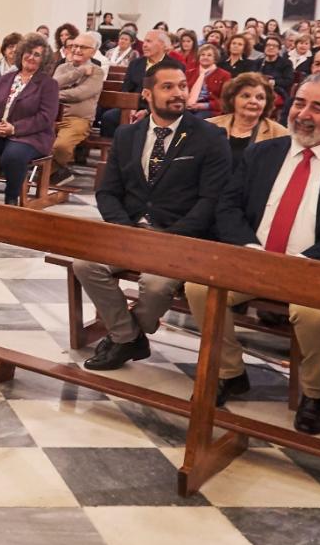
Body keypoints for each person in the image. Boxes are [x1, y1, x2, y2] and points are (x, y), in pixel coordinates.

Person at [185, 75, 320, 432]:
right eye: (299, 103)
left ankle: (316, 395)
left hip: (317, 269)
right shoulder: (263, 152)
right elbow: (228, 206)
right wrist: (249, 248)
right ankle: (230, 372)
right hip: (255, 260)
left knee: (315, 316)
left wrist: (307, 260)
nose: (303, 114)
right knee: (198, 287)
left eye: (318, 108)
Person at [76, 62, 232, 371]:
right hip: (131, 230)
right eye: (168, 87)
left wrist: (170, 237)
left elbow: (211, 200)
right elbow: (107, 192)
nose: (179, 93)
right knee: (84, 264)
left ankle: (124, 336)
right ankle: (128, 336)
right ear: (147, 94)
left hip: (180, 236)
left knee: (156, 285)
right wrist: (125, 230)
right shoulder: (127, 135)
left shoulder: (209, 136)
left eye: (182, 86)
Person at [0, 33, 58, 205]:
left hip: (29, 136)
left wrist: (14, 128)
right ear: (21, 53)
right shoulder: (6, 78)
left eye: (37, 55)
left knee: (13, 156)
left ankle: (11, 199)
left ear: (43, 60)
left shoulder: (48, 84)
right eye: (28, 52)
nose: (31, 57)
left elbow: (45, 117)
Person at [99, 29, 181, 136]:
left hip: (160, 110)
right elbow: (126, 89)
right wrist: (131, 107)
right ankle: (116, 146)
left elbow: (171, 96)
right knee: (108, 117)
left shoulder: (174, 67)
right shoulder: (135, 63)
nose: (144, 45)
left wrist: (147, 111)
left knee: (150, 123)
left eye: (149, 41)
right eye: (144, 41)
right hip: (133, 106)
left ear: (162, 45)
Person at [50, 33, 106, 185]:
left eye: (83, 47)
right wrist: (79, 71)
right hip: (53, 117)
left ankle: (48, 172)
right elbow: (53, 84)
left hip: (78, 119)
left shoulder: (97, 71)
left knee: (61, 146)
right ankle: (58, 173)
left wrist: (54, 94)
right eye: (74, 46)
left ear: (93, 52)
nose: (77, 50)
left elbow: (80, 94)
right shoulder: (62, 67)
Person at [206, 72, 289, 167]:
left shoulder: (280, 135)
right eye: (246, 96)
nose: (253, 101)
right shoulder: (209, 127)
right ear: (232, 99)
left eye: (260, 98)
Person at [185, 43, 230, 119]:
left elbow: (225, 100)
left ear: (215, 59)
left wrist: (204, 105)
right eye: (203, 55)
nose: (205, 57)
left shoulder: (224, 75)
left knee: (194, 120)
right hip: (188, 106)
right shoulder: (189, 73)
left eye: (209, 55)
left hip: (209, 109)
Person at [254, 35, 292, 104]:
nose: (271, 47)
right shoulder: (258, 62)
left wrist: (274, 82)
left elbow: (288, 80)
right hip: (257, 90)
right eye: (268, 45)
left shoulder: (286, 63)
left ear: (279, 49)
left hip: (277, 92)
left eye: (274, 46)